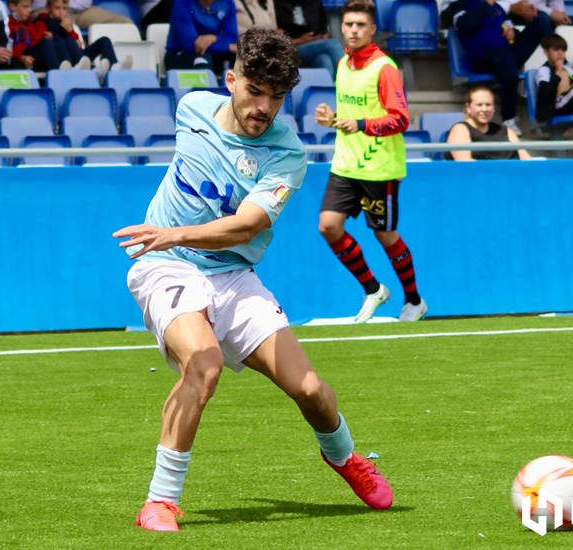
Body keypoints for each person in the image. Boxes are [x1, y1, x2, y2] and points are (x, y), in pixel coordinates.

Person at [113, 28, 394, 533]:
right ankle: (160, 500)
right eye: (255, 90)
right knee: (203, 363)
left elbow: (246, 225)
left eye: (276, 97)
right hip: (166, 263)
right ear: (232, 79)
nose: (264, 106)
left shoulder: (287, 154)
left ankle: (345, 457)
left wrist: (175, 230)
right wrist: (171, 239)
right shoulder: (192, 109)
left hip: (233, 274)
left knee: (310, 389)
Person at [315, 0, 427, 323]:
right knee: (328, 226)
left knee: (385, 236)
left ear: (372, 29)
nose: (353, 30)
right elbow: (350, 117)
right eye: (348, 24)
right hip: (345, 165)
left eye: (360, 25)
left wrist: (362, 124)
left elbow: (401, 119)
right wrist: (332, 119)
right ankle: (373, 289)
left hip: (379, 168)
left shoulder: (385, 68)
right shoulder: (342, 65)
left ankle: (414, 301)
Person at [452, 0, 553, 135]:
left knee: (542, 20)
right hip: (483, 56)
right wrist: (485, 5)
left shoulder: (497, 7)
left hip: (506, 53)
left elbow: (506, 22)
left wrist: (510, 29)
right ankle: (508, 119)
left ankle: (558, 65)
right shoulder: (461, 6)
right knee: (508, 67)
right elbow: (465, 25)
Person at [37, 0, 123, 79]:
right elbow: (45, 39)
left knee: (105, 40)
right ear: (48, 8)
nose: (61, 12)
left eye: (64, 8)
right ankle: (92, 70)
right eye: (57, 8)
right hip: (65, 60)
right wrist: (62, 29)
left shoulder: (67, 22)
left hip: (79, 55)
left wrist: (73, 35)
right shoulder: (42, 21)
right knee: (64, 39)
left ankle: (111, 67)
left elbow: (76, 41)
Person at [446, 85, 532, 160]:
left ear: (494, 107)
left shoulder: (506, 130)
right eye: (479, 105)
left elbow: (526, 160)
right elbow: (465, 164)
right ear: (468, 107)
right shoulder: (460, 129)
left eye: (488, 105)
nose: (484, 109)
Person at [275, 0, 345, 76]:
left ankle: (332, 86)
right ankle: (348, 80)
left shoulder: (315, 3)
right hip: (292, 48)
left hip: (316, 44)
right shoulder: (277, 6)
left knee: (324, 60)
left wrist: (321, 36)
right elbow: (277, 40)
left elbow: (323, 28)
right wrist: (301, 40)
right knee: (333, 44)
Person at [164, 0, 237, 74]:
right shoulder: (181, 3)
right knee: (202, 61)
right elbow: (192, 44)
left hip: (214, 53)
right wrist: (228, 47)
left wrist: (213, 38)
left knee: (238, 60)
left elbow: (232, 37)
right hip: (181, 54)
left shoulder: (228, 2)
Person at [8, 0, 65, 71]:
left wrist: (45, 34)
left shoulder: (29, 24)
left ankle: (66, 67)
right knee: (46, 43)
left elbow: (36, 39)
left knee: (54, 40)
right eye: (25, 7)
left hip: (32, 57)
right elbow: (7, 49)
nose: (30, 10)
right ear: (12, 6)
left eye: (30, 6)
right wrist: (21, 57)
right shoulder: (7, 25)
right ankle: (57, 73)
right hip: (20, 59)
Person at [30, 0, 131, 28]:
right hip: (45, 9)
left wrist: (65, 6)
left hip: (80, 11)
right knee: (55, 28)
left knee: (124, 22)